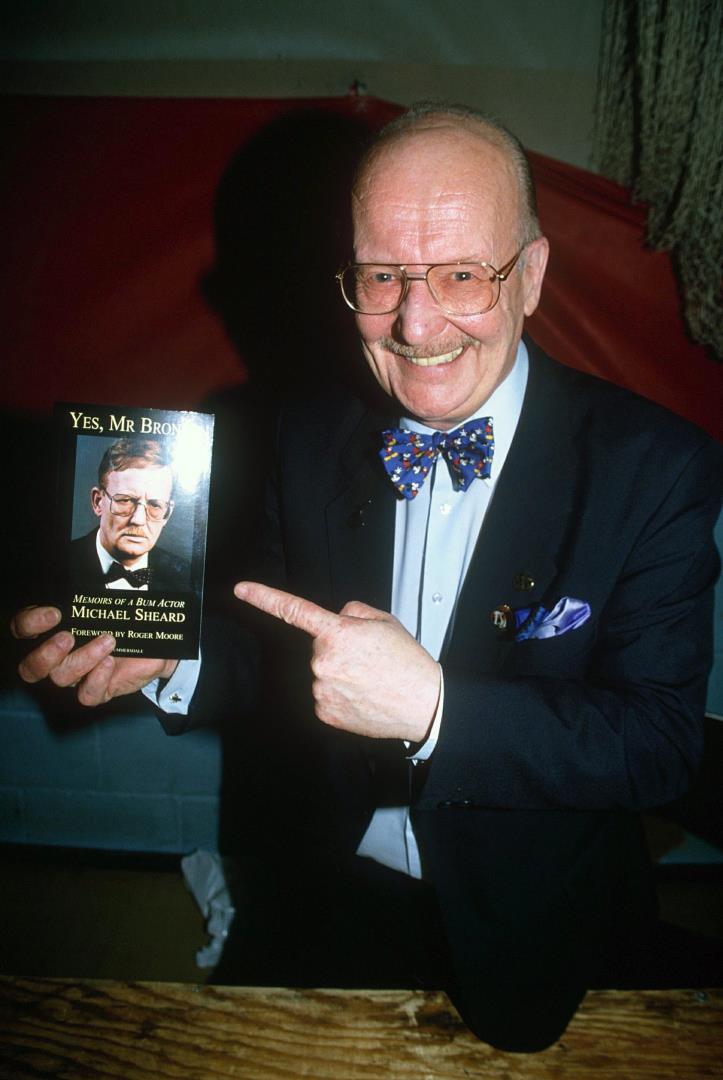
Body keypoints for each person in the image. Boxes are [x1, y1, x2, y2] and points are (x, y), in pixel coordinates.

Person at [11, 104, 722, 1052]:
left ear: (533, 276)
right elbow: (272, 647)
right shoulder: (309, 433)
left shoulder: (657, 466)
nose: (415, 324)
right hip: (324, 888)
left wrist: (436, 707)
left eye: (462, 275)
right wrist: (172, 661)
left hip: (537, 923)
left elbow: (660, 746)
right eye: (383, 275)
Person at [69, 435, 187, 591]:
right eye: (125, 500)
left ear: (167, 514)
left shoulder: (185, 575)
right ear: (98, 502)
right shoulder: (57, 564)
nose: (138, 519)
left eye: (154, 505)